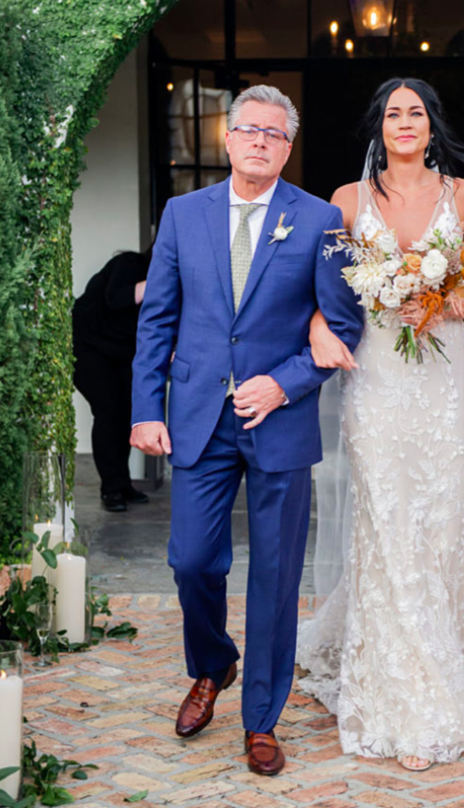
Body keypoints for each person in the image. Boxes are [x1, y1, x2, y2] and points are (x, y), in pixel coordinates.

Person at [130, 85, 363, 776]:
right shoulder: (181, 214)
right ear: (227, 140)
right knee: (192, 560)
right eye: (248, 130)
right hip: (199, 417)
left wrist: (284, 382)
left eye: (274, 133)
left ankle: (261, 720)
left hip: (280, 423)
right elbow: (158, 320)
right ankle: (212, 666)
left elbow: (343, 324)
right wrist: (147, 408)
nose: (260, 141)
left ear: (288, 147)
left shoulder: (321, 219)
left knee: (275, 576)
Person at [297, 78, 464, 772]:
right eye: (392, 113)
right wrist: (315, 329)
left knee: (436, 518)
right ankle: (398, 691)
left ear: (431, 126)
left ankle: (440, 653)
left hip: (442, 379)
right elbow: (315, 288)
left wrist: (443, 303)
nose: (404, 123)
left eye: (415, 113)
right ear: (378, 125)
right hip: (377, 379)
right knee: (387, 520)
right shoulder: (345, 200)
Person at [73, 250, 151, 512]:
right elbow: (116, 299)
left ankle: (123, 483)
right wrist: (161, 283)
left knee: (126, 413)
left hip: (124, 352)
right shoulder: (128, 263)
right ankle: (112, 489)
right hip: (88, 346)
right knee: (108, 410)